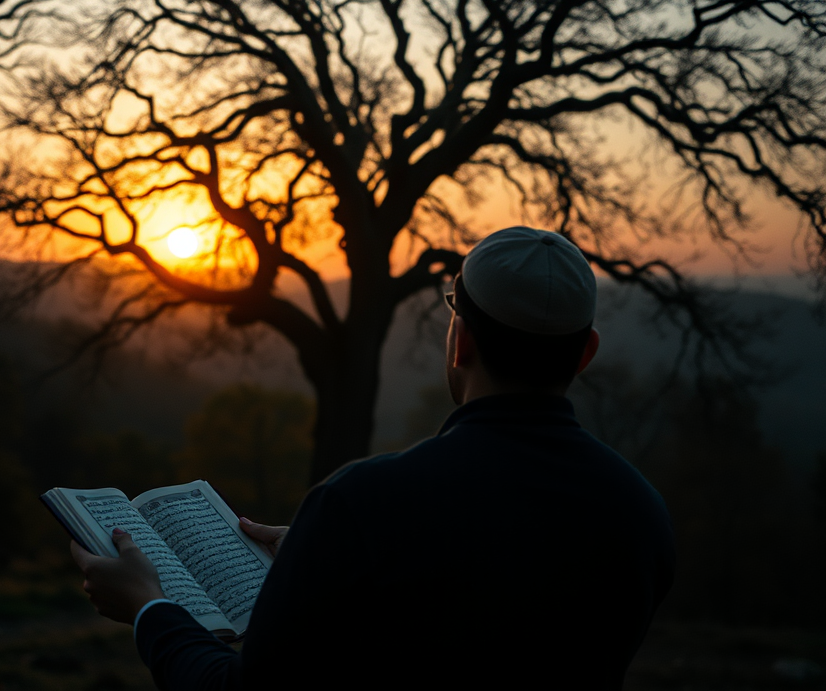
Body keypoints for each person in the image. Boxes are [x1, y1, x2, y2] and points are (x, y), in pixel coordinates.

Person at [70, 226, 675, 690]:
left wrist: (150, 606)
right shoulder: (641, 515)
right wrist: (317, 555)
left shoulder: (362, 505)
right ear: (585, 353)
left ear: (462, 340)